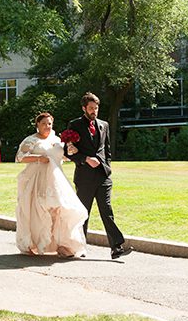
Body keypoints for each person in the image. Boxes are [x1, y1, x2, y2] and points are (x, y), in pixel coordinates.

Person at [65, 92, 132, 260]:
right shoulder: (75, 125)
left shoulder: (104, 125)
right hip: (85, 177)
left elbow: (107, 150)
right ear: (84, 108)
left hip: (103, 176)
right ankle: (78, 246)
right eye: (91, 108)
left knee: (107, 212)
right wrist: (86, 159)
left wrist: (107, 166)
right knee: (83, 213)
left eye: (96, 108)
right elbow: (69, 152)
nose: (94, 111)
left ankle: (116, 248)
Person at [15, 112, 87, 258]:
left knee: (61, 210)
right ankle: (33, 243)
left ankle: (62, 244)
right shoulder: (31, 140)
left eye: (49, 123)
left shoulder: (57, 139)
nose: (47, 126)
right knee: (37, 211)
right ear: (37, 125)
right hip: (38, 180)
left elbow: (64, 156)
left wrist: (72, 150)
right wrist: (38, 158)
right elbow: (19, 157)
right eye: (44, 124)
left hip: (56, 181)